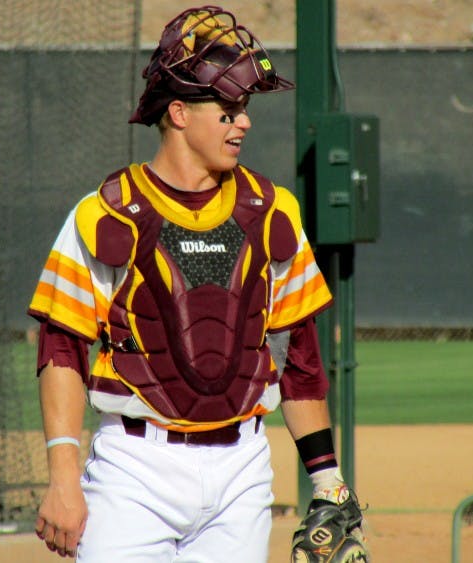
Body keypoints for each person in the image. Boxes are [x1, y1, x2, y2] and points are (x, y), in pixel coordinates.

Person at [27, 6, 366, 561]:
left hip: (242, 471)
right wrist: (64, 480)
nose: (245, 122)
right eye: (229, 109)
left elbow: (298, 352)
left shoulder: (272, 211)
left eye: (246, 109)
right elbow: (61, 346)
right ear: (179, 113)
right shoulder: (107, 213)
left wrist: (328, 482)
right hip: (134, 471)